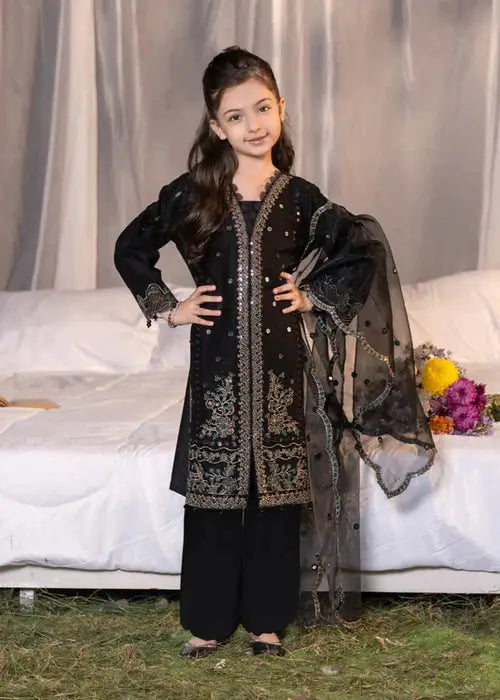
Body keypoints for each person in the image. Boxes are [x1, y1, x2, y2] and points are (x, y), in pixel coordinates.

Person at [114, 46, 436, 659]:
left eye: (263, 109)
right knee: (213, 496)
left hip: (284, 372)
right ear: (217, 127)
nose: (253, 125)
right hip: (216, 373)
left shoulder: (300, 197)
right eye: (236, 116)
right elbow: (131, 247)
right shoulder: (193, 194)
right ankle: (207, 621)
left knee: (277, 496)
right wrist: (169, 306)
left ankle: (267, 619)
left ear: (281, 108)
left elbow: (361, 249)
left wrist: (314, 295)